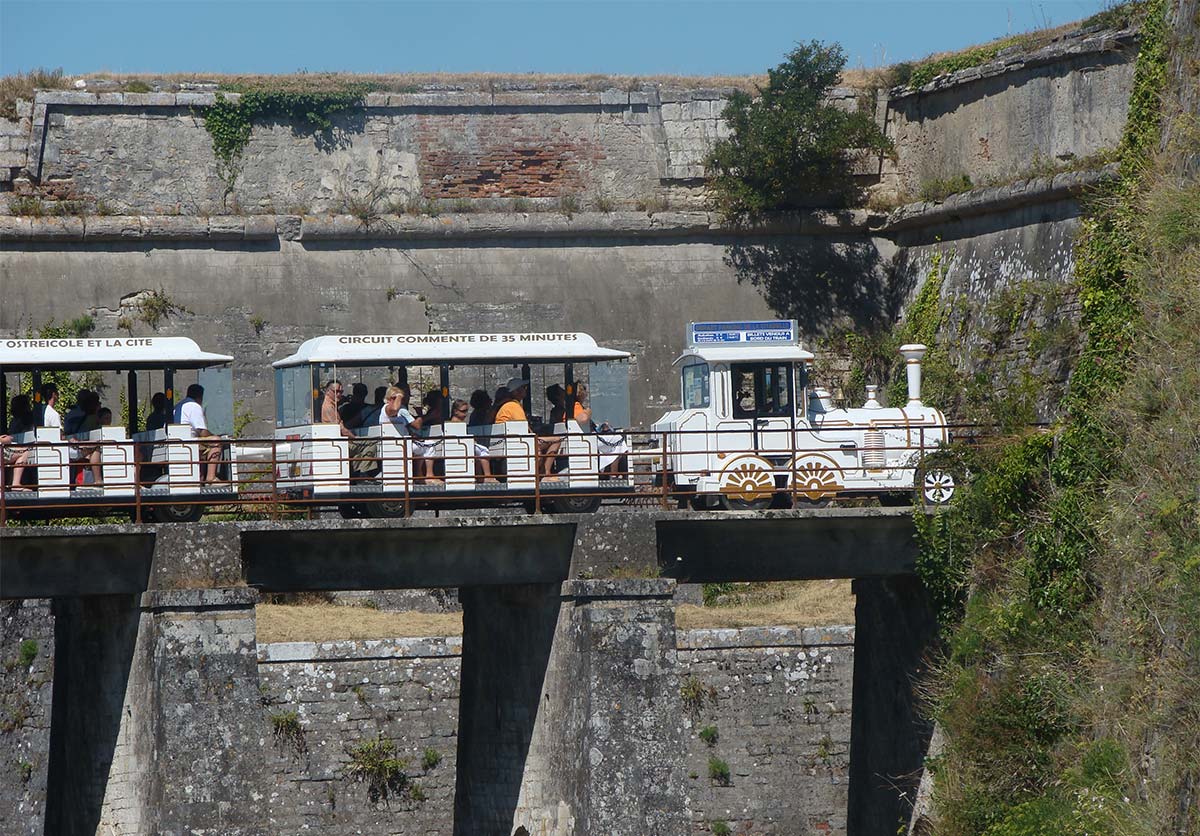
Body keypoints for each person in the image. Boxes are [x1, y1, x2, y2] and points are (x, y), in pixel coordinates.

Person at [495, 378, 560, 479]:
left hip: (510, 440)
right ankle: (545, 472)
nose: (526, 390)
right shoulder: (513, 406)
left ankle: (543, 472)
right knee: (556, 440)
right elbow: (524, 428)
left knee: (545, 441)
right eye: (524, 388)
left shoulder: (508, 405)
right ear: (517, 391)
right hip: (517, 442)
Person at [174, 383, 222, 485]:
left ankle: (200, 477)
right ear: (200, 396)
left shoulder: (178, 406)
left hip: (177, 442)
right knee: (216, 441)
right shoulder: (194, 406)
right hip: (188, 442)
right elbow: (203, 432)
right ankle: (211, 477)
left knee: (204, 447)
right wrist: (216, 435)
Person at [449, 397, 494, 481]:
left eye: (466, 411)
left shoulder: (458, 422)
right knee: (484, 450)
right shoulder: (455, 423)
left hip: (462, 445)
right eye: (463, 411)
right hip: (461, 446)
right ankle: (488, 476)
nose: (465, 414)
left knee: (477, 452)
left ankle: (479, 476)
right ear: (455, 411)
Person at [3, 394, 35, 490]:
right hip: (4, 452)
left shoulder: (14, 421)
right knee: (24, 452)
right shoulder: (26, 419)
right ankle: (16, 483)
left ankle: (10, 482)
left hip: (9, 448)